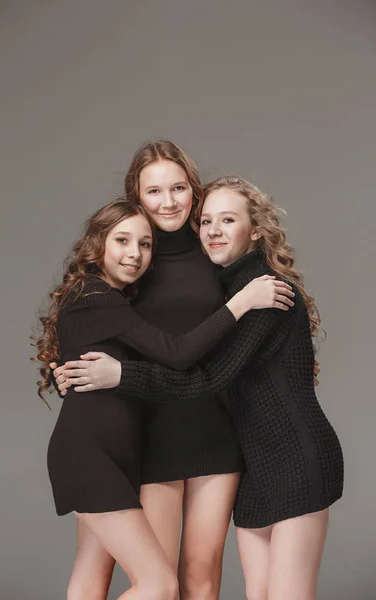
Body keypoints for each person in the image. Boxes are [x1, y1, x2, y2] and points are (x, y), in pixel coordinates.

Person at [60, 177, 343, 600]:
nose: (213, 229)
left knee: (248, 587)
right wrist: (70, 367)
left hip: (277, 453)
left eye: (227, 220)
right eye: (207, 220)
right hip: (238, 460)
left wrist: (120, 375)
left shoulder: (259, 291)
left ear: (257, 229)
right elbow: (111, 331)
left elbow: (208, 374)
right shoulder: (186, 280)